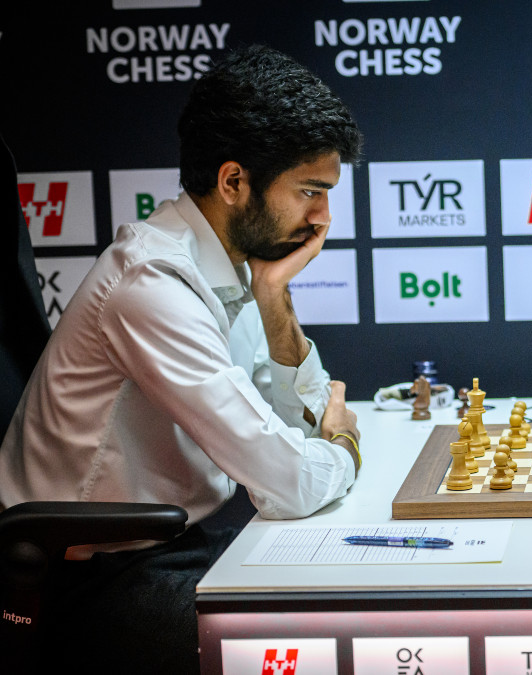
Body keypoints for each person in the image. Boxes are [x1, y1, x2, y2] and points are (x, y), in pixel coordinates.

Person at [0, 45, 364, 672]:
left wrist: (273, 295)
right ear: (233, 182)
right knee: (317, 647)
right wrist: (345, 449)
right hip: (88, 580)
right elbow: (289, 479)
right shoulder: (153, 285)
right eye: (310, 191)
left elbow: (285, 425)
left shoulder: (228, 268)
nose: (324, 218)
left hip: (178, 542)